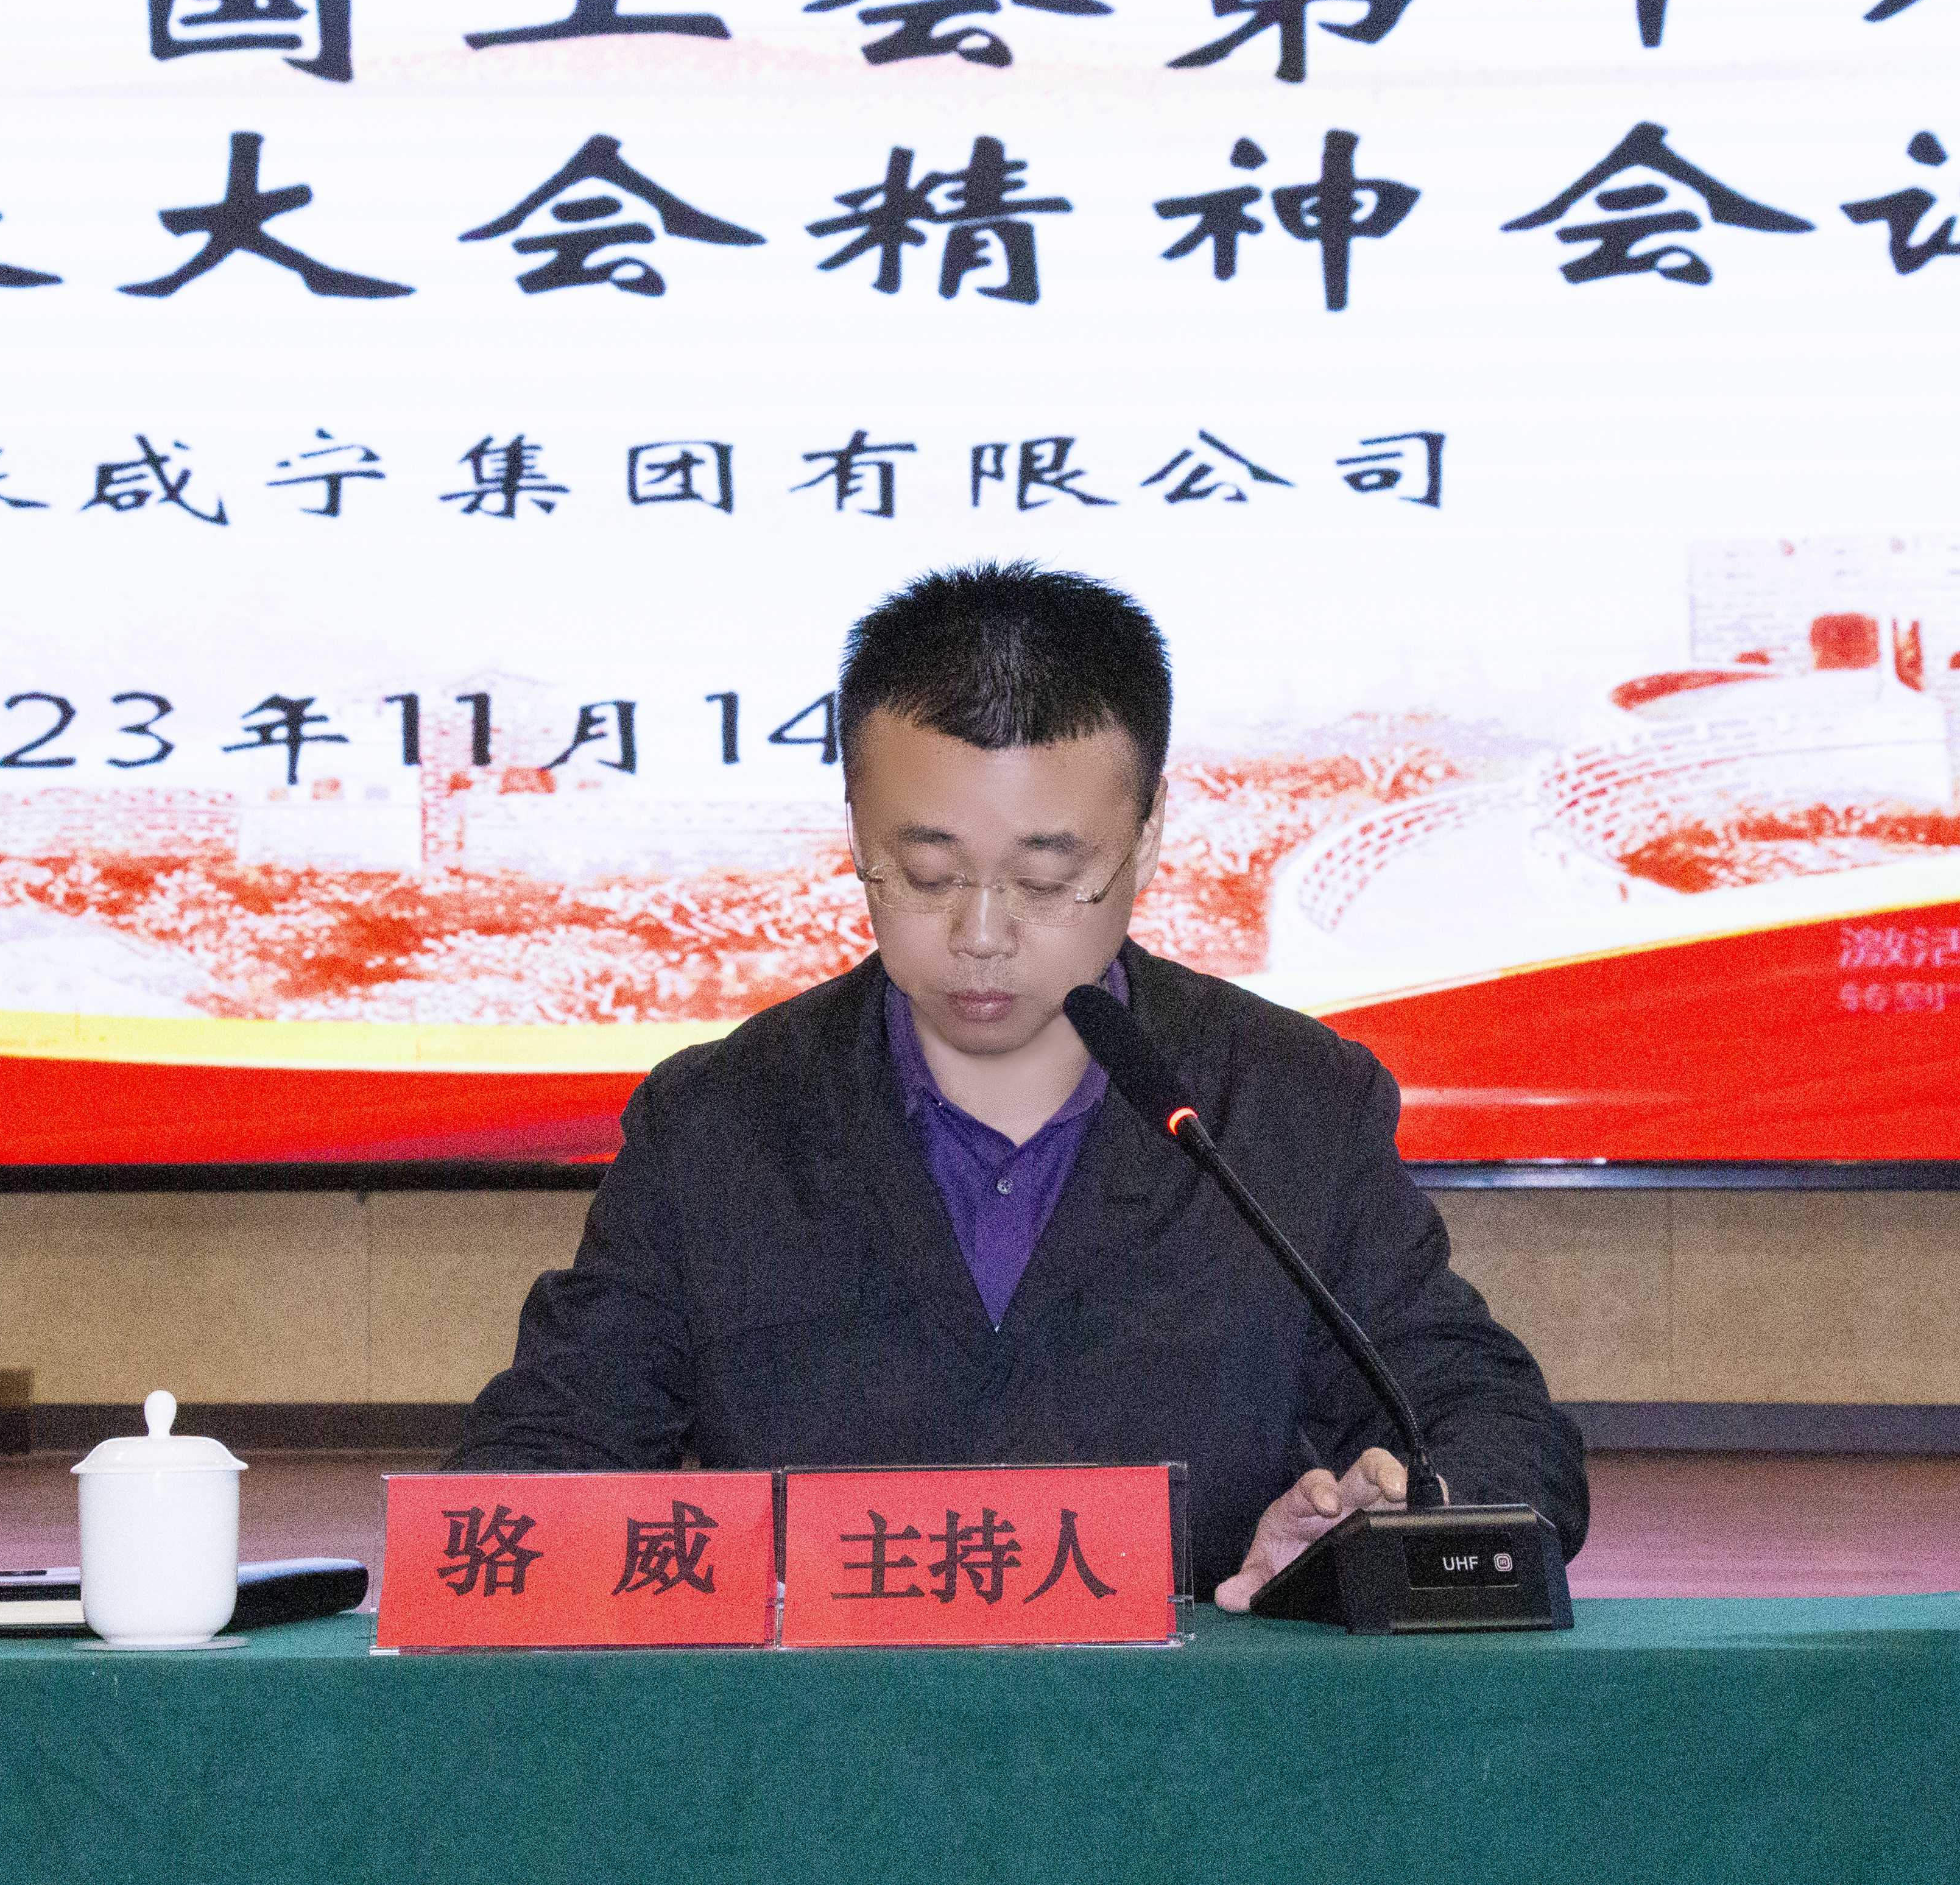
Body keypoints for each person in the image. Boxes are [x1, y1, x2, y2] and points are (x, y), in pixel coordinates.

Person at [449, 562, 1588, 1604]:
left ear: (1146, 839)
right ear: (855, 831)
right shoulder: (719, 1122)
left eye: (1047, 881)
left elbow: (1488, 1426)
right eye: (924, 873)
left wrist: (1379, 1532)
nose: (980, 935)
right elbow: (542, 1457)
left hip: (1189, 1739)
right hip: (822, 1740)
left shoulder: (1286, 1104)